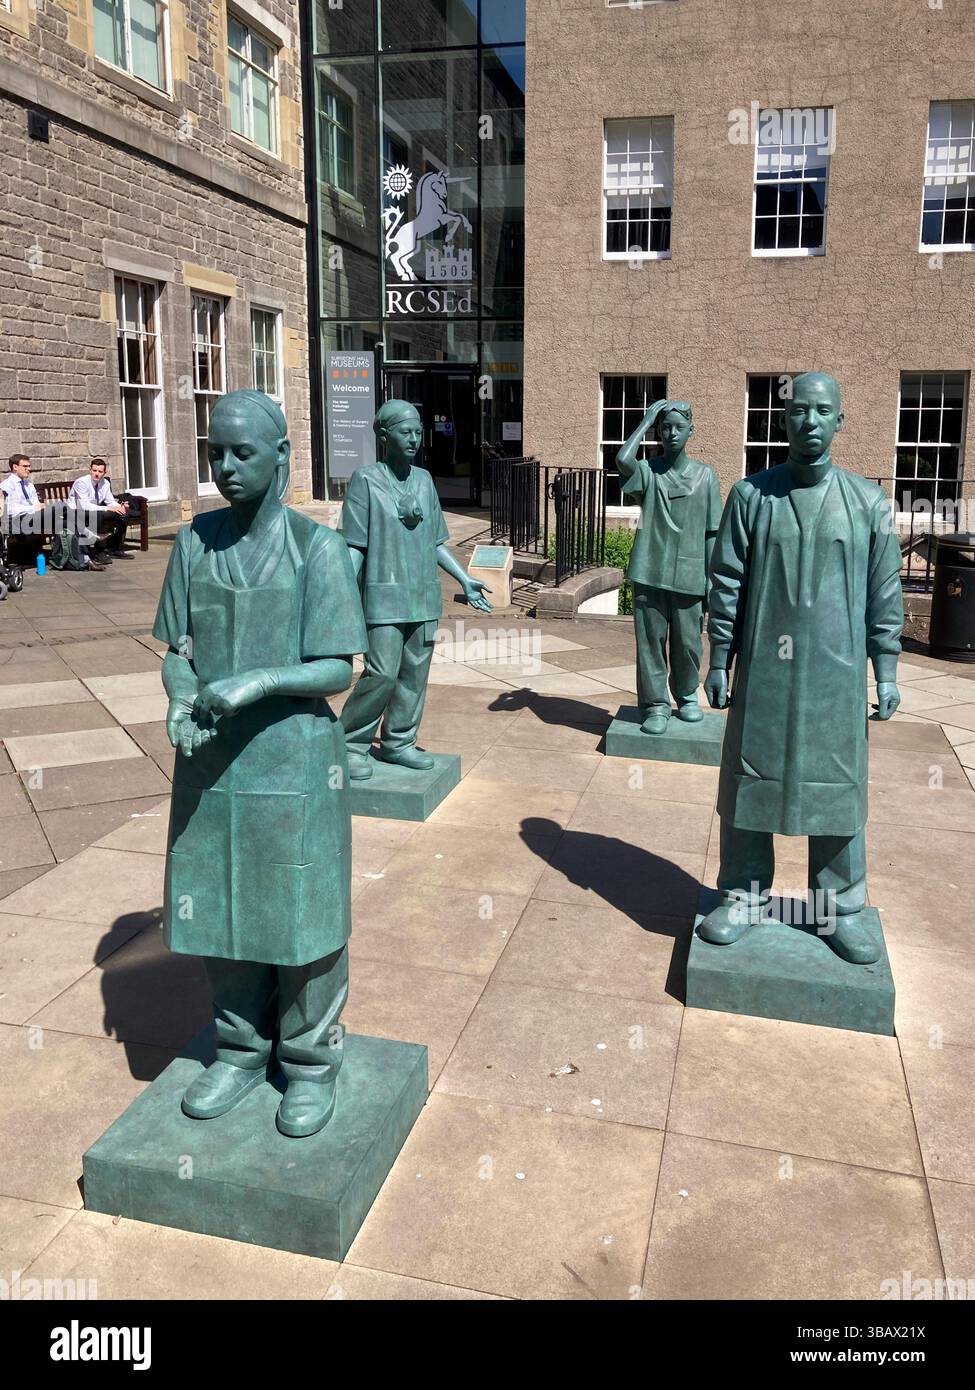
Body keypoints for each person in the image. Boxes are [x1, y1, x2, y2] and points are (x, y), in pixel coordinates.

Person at [153, 389, 367, 1138]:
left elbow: (339, 666)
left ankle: (310, 1061)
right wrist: (181, 698)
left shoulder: (318, 548)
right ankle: (241, 1050)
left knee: (301, 916)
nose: (225, 468)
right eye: (215, 451)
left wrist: (262, 680)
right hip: (212, 764)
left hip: (295, 761)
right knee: (218, 904)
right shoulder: (194, 543)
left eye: (242, 453)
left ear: (282, 456)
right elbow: (176, 651)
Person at [700, 372, 903, 965]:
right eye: (799, 411)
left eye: (822, 411)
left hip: (835, 680)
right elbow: (727, 583)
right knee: (748, 782)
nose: (809, 421)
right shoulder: (751, 497)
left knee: (838, 790)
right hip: (763, 672)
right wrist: (719, 657)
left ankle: (839, 908)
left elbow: (884, 592)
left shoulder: (869, 503)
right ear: (783, 420)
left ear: (840, 421)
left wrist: (886, 670)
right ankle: (742, 894)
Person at [339, 399, 492, 780]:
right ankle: (349, 742)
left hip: (423, 596)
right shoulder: (366, 480)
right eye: (405, 432)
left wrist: (465, 578)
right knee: (381, 674)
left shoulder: (424, 480)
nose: (414, 439)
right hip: (383, 597)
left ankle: (399, 742)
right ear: (384, 436)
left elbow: (437, 542)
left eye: (418, 432)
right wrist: (339, 591)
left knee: (414, 677)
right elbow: (354, 544)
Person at [616, 400, 722, 734]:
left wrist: (711, 580)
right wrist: (646, 419)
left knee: (689, 643)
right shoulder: (648, 472)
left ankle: (687, 695)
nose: (672, 433)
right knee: (650, 644)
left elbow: (711, 533)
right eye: (665, 427)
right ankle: (655, 704)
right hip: (650, 571)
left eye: (679, 427)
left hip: (690, 573)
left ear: (691, 430)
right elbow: (622, 460)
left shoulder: (706, 476)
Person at [69, 458, 130, 564]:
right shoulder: (82, 483)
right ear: (90, 470)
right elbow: (84, 505)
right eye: (94, 470)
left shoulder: (105, 483)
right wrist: (107, 508)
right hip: (76, 512)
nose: (96, 474)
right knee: (99, 515)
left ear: (104, 473)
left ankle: (114, 547)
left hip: (94, 510)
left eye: (100, 471)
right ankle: (100, 552)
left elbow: (110, 501)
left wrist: (120, 507)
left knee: (122, 515)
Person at [1, 455, 45, 567]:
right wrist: (33, 508)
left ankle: (68, 558)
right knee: (60, 510)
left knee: (63, 520)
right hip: (16, 520)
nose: (28, 469)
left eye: (29, 466)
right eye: (25, 466)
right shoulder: (7, 485)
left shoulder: (29, 485)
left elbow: (36, 503)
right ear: (15, 467)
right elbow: (11, 510)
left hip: (33, 517)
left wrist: (37, 508)